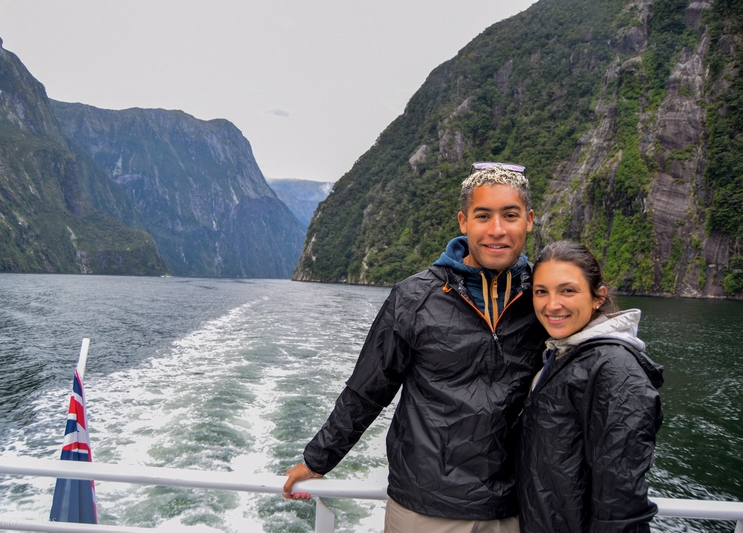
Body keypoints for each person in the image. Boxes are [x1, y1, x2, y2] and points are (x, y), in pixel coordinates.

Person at [283, 162, 549, 532]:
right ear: (463, 221)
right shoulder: (414, 298)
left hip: (513, 510)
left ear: (529, 220)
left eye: (510, 215)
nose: (497, 229)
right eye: (483, 215)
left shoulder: (545, 300)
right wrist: (317, 460)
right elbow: (367, 389)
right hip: (423, 508)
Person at [516, 240, 664, 532]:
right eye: (541, 292)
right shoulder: (564, 354)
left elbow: (621, 502)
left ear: (598, 297)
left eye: (568, 291)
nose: (552, 305)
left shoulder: (613, 370)